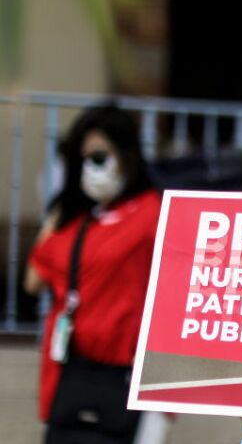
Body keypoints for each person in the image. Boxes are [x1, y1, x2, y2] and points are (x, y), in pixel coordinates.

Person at [24, 104, 162, 444]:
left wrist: (161, 409)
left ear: (126, 155)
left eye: (100, 157)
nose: (91, 169)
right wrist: (56, 217)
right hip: (72, 372)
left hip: (127, 377)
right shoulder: (77, 221)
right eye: (82, 160)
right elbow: (32, 281)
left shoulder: (151, 214)